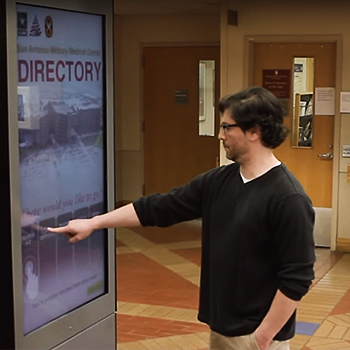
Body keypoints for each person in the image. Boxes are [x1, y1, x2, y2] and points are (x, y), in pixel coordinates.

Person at [48, 86, 315, 350]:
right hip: (222, 329)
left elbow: (297, 277)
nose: (220, 135)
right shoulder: (219, 181)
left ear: (254, 131)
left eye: (226, 127)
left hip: (258, 338)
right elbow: (161, 207)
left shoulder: (288, 199)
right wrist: (95, 223)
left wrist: (263, 338)